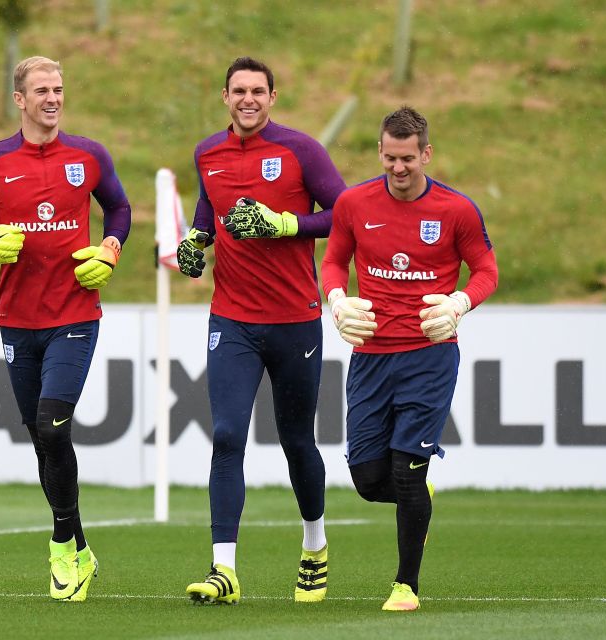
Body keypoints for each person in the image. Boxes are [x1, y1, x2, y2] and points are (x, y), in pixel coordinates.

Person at [0, 56, 132, 602]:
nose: (53, 98)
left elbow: (119, 209)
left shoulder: (89, 155)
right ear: (20, 100)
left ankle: (59, 550)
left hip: (74, 315)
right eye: (42, 90)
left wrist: (109, 247)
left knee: (54, 428)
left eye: (58, 89)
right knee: (41, 439)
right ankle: (81, 545)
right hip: (17, 321)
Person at [176, 56, 347, 604]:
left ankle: (315, 545)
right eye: (238, 91)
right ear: (224, 96)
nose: (248, 99)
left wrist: (287, 224)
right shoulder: (207, 153)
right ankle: (223, 569)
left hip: (296, 318)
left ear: (273, 97)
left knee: (297, 440)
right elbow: (211, 210)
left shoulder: (301, 151)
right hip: (232, 318)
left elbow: (345, 214)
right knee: (226, 435)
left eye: (258, 91)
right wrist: (195, 242)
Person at [320, 106, 498, 612]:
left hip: (429, 355)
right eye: (390, 158)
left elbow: (486, 268)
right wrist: (336, 300)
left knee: (406, 470)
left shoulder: (456, 210)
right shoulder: (354, 203)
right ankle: (420, 497)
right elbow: (333, 260)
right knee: (368, 479)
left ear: (426, 154)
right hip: (371, 354)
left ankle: (406, 585)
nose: (399, 169)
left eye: (408, 159)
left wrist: (461, 303)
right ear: (380, 151)